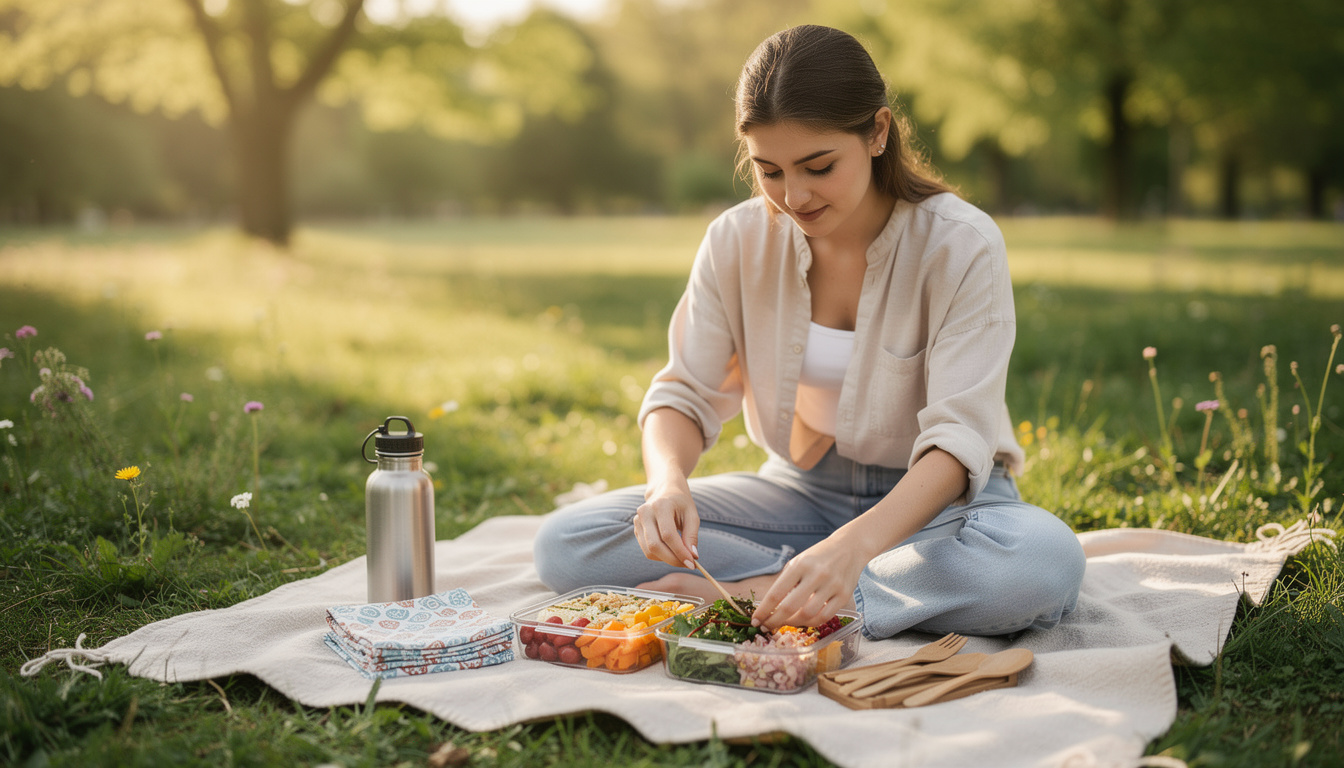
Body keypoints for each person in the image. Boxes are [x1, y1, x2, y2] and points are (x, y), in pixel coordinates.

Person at [533, 24, 1085, 640]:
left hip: (943, 508)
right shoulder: (736, 241)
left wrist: (854, 549)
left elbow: (958, 442)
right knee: (570, 541)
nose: (793, 196)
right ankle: (844, 586)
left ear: (877, 133)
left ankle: (761, 593)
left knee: (1040, 563)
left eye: (818, 167)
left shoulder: (961, 244)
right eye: (769, 171)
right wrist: (668, 485)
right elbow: (684, 393)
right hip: (801, 493)